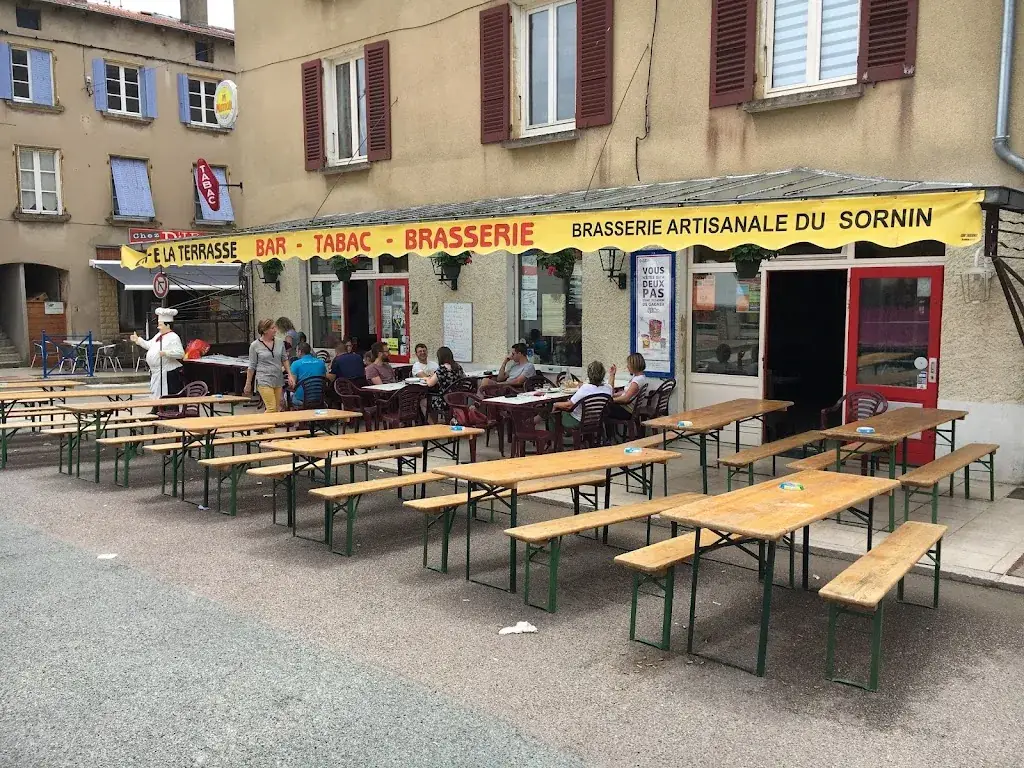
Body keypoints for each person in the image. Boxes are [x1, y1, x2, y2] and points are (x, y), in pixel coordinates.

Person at [130, 307, 185, 401]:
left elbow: (180, 353)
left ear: (167, 325)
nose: (158, 327)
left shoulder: (174, 337)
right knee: (156, 392)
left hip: (167, 371)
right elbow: (149, 345)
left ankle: (168, 410)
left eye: (160, 325)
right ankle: (156, 408)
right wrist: (138, 340)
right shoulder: (158, 335)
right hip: (156, 372)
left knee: (167, 393)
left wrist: (166, 353)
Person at [244, 318, 295, 413]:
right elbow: (252, 366)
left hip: (278, 379)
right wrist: (248, 383)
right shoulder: (255, 345)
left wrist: (290, 375)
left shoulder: (280, 342)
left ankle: (267, 428)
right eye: (272, 328)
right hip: (264, 379)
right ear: (265, 330)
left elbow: (284, 359)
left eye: (275, 327)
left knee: (276, 408)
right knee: (271, 408)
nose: (275, 330)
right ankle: (261, 426)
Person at [551, 360, 612, 429]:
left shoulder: (585, 388)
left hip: (579, 421)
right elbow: (610, 387)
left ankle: (555, 437)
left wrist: (555, 404)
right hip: (597, 420)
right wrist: (612, 375)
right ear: (603, 374)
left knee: (553, 412)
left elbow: (569, 406)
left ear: (589, 374)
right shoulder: (608, 388)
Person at [607, 353, 649, 420]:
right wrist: (614, 395)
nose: (627, 366)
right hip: (628, 408)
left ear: (634, 365)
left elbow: (626, 398)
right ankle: (611, 430)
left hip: (627, 411)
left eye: (629, 364)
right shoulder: (640, 377)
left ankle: (606, 430)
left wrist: (611, 400)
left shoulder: (637, 381)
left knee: (601, 408)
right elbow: (627, 392)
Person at [424, 346, 463, 416]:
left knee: (424, 403)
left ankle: (433, 424)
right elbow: (464, 378)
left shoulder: (442, 369)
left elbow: (430, 384)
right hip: (458, 399)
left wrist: (427, 379)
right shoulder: (458, 367)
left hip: (445, 401)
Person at [289, 342, 327, 406]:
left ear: (300, 352)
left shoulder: (295, 364)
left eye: (296, 351)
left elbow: (292, 385)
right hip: (320, 398)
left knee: (288, 395)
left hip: (302, 400)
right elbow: (323, 380)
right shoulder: (321, 362)